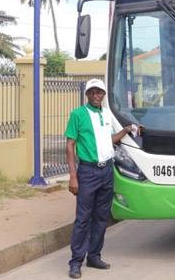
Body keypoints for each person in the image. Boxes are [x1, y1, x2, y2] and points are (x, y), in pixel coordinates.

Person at [65, 78, 140, 279]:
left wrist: (124, 131)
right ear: (87, 94)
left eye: (100, 92)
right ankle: (75, 262)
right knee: (83, 218)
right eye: (93, 92)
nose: (96, 95)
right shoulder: (78, 115)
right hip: (87, 172)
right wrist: (73, 176)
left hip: (106, 171)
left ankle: (94, 256)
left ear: (103, 95)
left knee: (101, 217)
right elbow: (70, 145)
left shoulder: (106, 114)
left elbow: (109, 140)